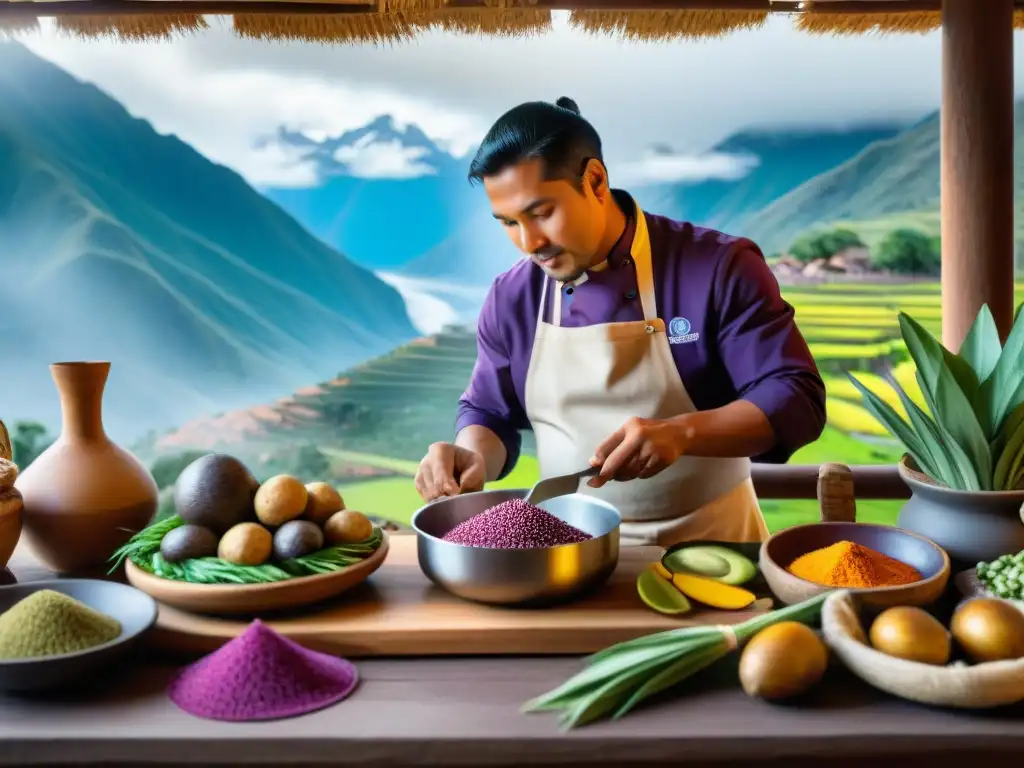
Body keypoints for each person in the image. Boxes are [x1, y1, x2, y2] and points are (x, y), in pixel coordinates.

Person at [413, 96, 826, 547]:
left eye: (541, 213)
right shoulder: (512, 296)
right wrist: (470, 455)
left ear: (594, 180)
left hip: (713, 541)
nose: (529, 242)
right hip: (563, 551)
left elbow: (795, 398)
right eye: (509, 223)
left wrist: (684, 431)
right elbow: (491, 411)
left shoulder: (719, 266)